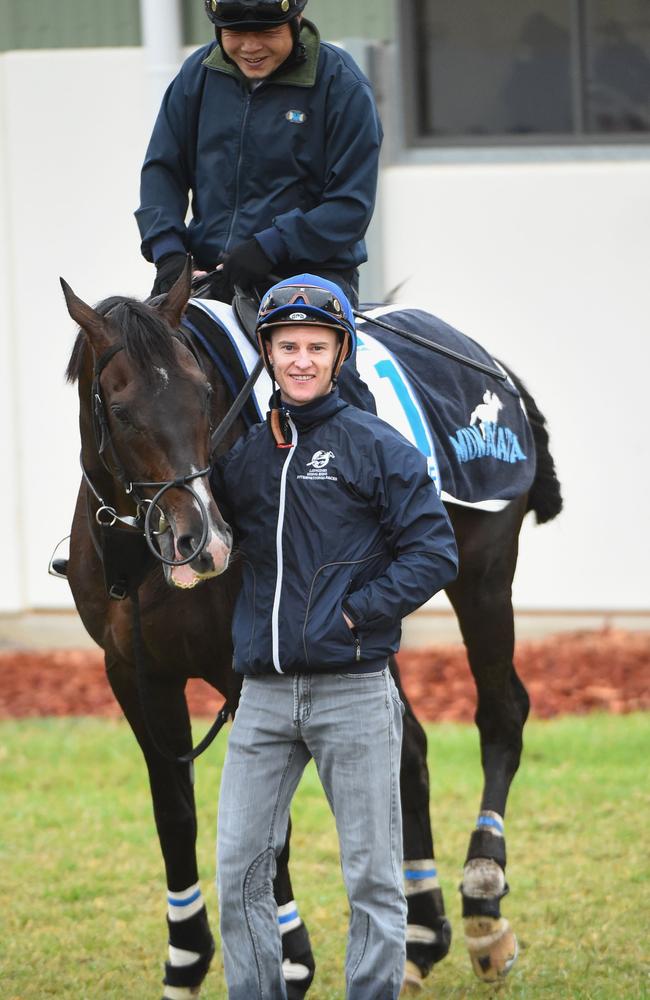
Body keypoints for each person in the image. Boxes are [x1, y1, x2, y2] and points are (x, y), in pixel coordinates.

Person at [209, 274, 459, 1000]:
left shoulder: (377, 446)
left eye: (317, 346)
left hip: (352, 692)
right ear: (268, 352)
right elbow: (209, 542)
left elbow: (434, 552)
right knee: (239, 871)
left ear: (340, 353)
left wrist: (355, 613)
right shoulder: (247, 456)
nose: (301, 360)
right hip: (260, 698)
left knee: (373, 877)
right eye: (287, 346)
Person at [135, 0, 383, 309]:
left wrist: (271, 246)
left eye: (267, 32)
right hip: (207, 275)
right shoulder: (196, 75)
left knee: (302, 360)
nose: (250, 47)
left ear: (297, 18)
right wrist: (169, 253)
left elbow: (350, 205)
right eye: (235, 33)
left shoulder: (342, 84)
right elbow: (162, 171)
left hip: (310, 278)